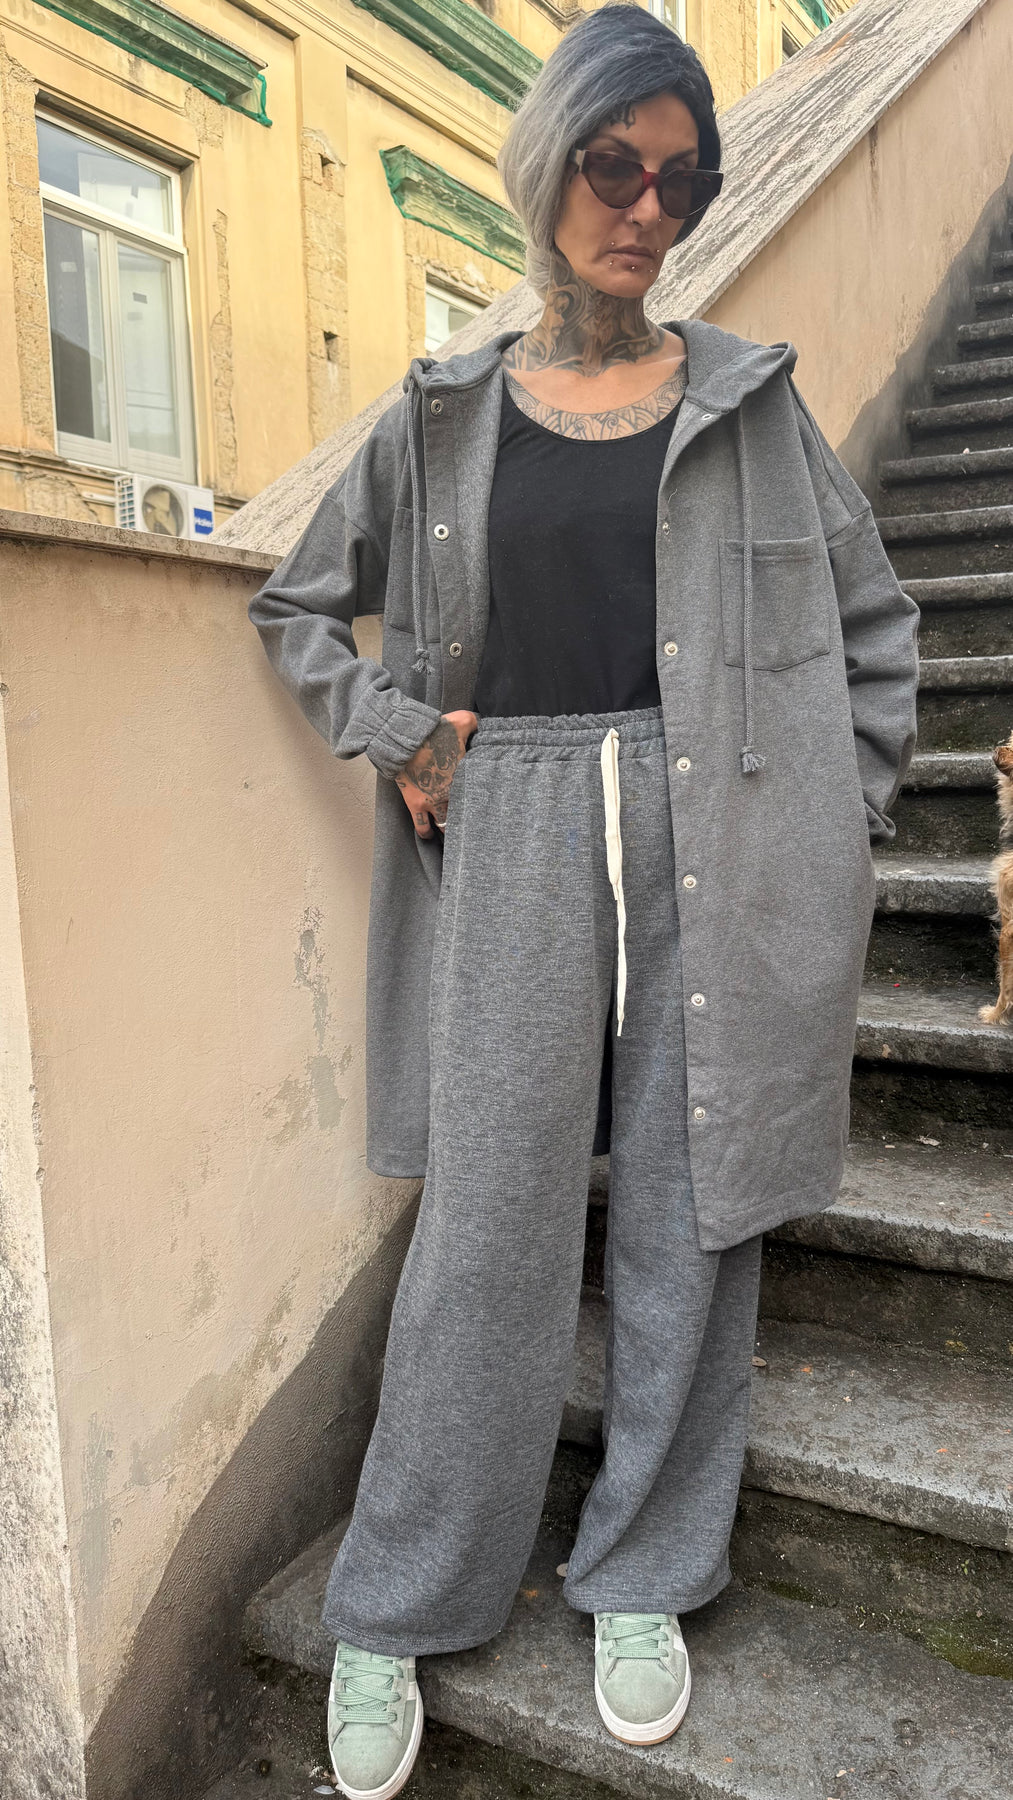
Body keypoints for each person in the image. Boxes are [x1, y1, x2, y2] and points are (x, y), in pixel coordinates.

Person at [248, 7, 920, 1794]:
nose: (645, 209)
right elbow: (294, 606)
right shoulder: (441, 416)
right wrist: (401, 734)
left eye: (679, 182)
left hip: (721, 834)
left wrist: (838, 828)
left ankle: (643, 1571)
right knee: (488, 1228)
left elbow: (874, 629)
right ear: (546, 167)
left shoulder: (749, 407)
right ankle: (400, 1594)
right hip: (516, 824)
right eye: (615, 167)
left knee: (695, 1218)